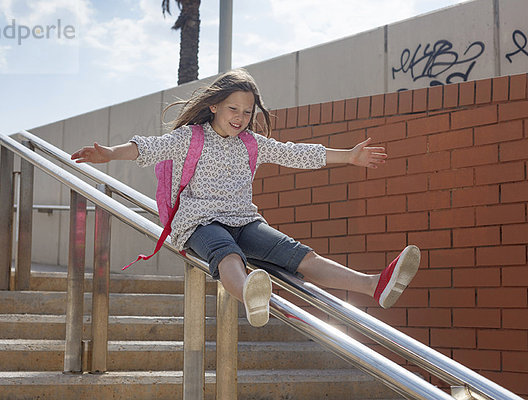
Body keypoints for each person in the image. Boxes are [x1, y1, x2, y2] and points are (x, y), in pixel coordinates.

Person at [71, 68, 420, 327]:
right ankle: (251, 297)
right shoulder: (191, 137)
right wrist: (111, 153)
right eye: (232, 109)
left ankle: (374, 285)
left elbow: (295, 154)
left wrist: (349, 156)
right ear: (214, 107)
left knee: (300, 255)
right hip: (199, 222)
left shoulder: (251, 144)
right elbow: (148, 148)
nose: (240, 118)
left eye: (247, 111)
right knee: (227, 254)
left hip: (245, 220)